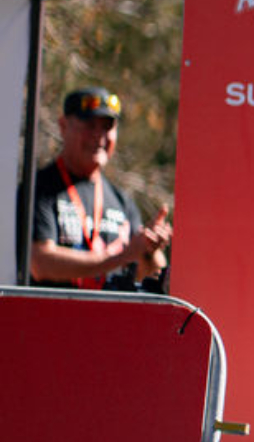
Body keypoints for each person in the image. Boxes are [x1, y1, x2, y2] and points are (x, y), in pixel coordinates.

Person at [28, 86, 170, 291]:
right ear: (63, 126)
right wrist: (120, 257)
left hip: (109, 320)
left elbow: (149, 273)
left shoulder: (121, 201)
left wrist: (149, 249)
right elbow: (40, 263)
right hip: (51, 319)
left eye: (107, 126)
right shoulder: (40, 189)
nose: (99, 135)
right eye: (89, 125)